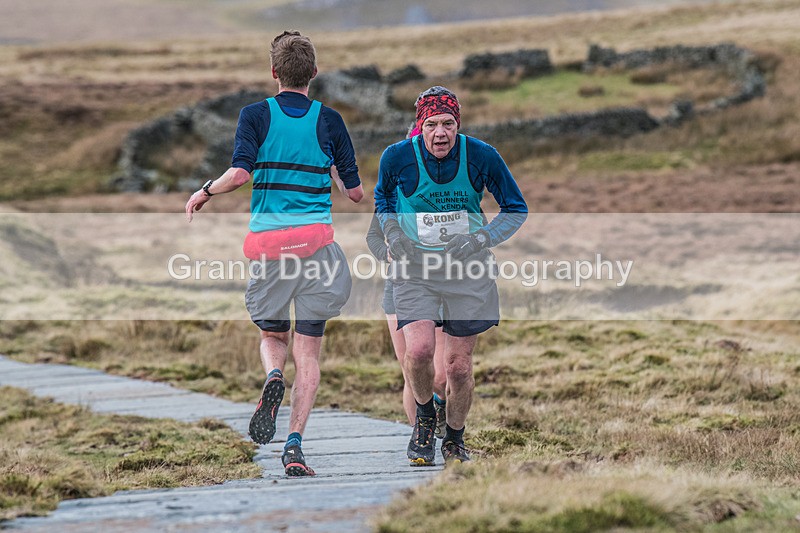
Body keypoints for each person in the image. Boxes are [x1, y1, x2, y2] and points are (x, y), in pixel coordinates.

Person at [185, 30, 363, 477]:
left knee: (271, 337)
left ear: (274, 73)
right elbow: (356, 193)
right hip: (318, 251)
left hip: (270, 249)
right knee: (310, 352)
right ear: (314, 75)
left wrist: (205, 191)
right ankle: (295, 445)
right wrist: (338, 178)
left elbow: (240, 174)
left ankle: (271, 377)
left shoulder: (255, 116)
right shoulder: (330, 121)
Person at [374, 86, 527, 466]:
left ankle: (455, 439)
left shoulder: (482, 155)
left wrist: (481, 238)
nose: (440, 133)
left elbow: (515, 208)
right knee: (420, 351)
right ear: (419, 127)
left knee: (458, 367)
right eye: (432, 124)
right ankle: (425, 419)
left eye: (447, 124)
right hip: (415, 270)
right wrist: (393, 235)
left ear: (457, 124)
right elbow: (383, 200)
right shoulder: (396, 157)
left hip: (467, 271)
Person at [365, 210, 448, 433]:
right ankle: (421, 436)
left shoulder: (451, 191)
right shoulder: (394, 193)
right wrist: (387, 255)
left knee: (440, 377)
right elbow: (373, 235)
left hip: (443, 284)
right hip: (399, 286)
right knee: (411, 372)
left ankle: (441, 408)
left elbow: (479, 223)